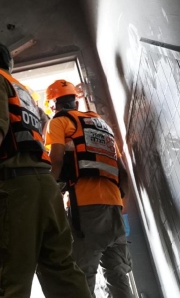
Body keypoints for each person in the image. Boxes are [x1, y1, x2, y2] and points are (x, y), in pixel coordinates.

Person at [0, 37, 91, 297]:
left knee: (8, 278)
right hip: (45, 186)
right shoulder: (23, 92)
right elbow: (38, 128)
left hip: (14, 188)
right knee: (62, 271)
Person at [44, 80, 133, 298]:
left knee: (82, 277)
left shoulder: (59, 122)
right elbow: (123, 173)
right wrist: (120, 206)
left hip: (86, 209)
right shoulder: (101, 125)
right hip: (115, 207)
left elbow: (56, 161)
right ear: (75, 102)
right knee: (118, 274)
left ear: (53, 105)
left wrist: (46, 196)